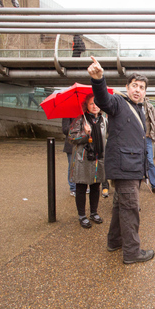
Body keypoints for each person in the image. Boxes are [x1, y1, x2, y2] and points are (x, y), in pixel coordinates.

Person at [87, 56, 154, 264]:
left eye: (141, 87)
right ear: (127, 87)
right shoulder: (118, 102)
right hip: (124, 167)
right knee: (130, 209)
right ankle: (132, 252)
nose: (138, 90)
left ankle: (114, 241)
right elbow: (102, 100)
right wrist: (99, 80)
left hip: (132, 167)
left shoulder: (140, 109)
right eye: (134, 86)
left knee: (119, 206)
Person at [68, 94, 107, 229]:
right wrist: (85, 134)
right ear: (87, 106)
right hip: (83, 158)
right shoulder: (80, 119)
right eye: (91, 104)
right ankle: (82, 215)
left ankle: (94, 212)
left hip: (98, 158)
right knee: (81, 187)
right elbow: (71, 138)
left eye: (96, 103)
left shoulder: (103, 120)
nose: (94, 106)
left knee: (96, 187)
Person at [143, 97, 155, 195]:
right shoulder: (130, 106)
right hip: (134, 139)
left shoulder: (149, 106)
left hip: (147, 137)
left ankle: (154, 185)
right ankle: (133, 186)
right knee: (134, 161)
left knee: (150, 161)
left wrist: (152, 133)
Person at [62, 117, 76, 197]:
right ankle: (73, 187)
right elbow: (65, 130)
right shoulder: (68, 114)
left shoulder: (84, 112)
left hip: (82, 145)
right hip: (71, 145)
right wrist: (77, 127)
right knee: (72, 166)